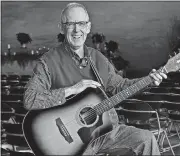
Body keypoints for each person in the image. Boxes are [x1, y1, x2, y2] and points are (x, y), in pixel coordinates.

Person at [23, 2, 167, 155]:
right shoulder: (48, 61)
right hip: (72, 143)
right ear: (62, 27)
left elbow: (119, 86)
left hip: (105, 131)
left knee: (147, 139)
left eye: (81, 23)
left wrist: (149, 80)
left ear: (88, 27)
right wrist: (72, 89)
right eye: (70, 24)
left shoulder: (97, 57)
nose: (77, 29)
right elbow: (30, 99)